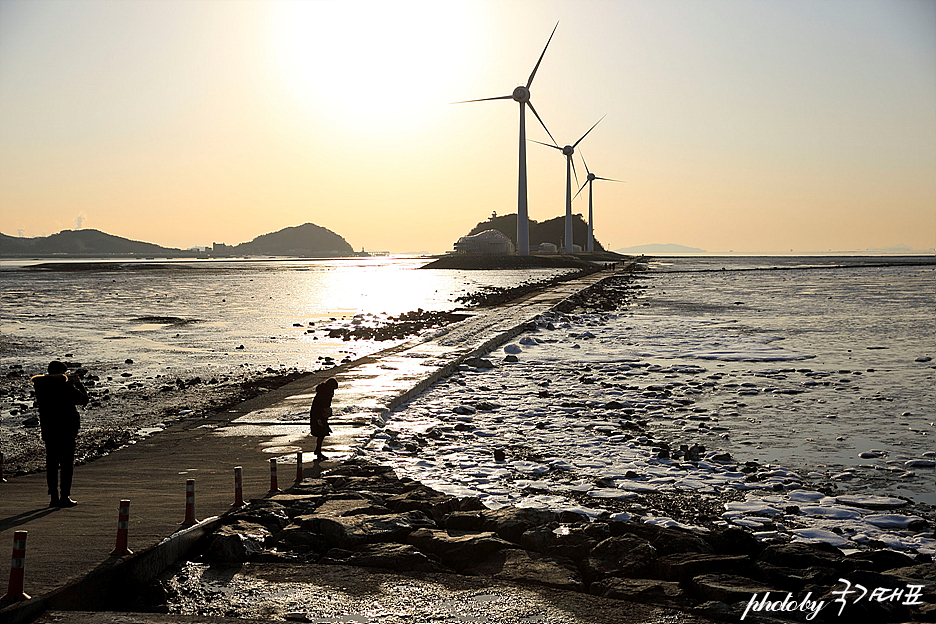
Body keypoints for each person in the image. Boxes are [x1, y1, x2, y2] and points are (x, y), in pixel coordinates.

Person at [31, 361, 89, 507]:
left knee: (51, 464)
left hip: (49, 430)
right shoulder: (65, 386)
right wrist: (77, 383)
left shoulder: (40, 385)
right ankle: (65, 496)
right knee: (66, 465)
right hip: (66, 429)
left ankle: (53, 498)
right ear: (61, 373)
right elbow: (84, 400)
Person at [309, 377, 338, 461]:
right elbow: (318, 406)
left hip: (321, 414)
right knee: (321, 432)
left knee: (322, 432)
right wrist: (319, 418)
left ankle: (318, 450)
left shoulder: (325, 391)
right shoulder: (324, 393)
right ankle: (318, 451)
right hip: (318, 414)